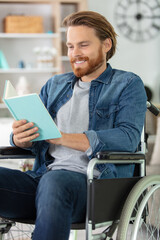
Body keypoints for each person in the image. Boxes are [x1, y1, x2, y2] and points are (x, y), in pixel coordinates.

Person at [0, 11, 147, 240]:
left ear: (106, 44)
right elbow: (38, 139)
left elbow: (127, 138)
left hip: (95, 186)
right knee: (49, 179)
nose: (75, 54)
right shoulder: (55, 84)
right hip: (43, 179)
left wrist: (62, 137)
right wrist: (21, 139)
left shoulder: (127, 83)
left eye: (83, 45)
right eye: (70, 46)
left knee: (54, 181)